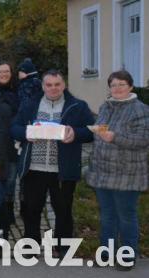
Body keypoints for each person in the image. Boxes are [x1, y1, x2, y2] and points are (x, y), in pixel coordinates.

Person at [10, 70, 95, 257]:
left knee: (63, 209)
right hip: (34, 167)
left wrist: (75, 134)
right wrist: (26, 133)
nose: (53, 88)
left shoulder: (77, 106)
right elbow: (14, 127)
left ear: (63, 85)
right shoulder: (30, 104)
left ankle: (62, 247)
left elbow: (90, 131)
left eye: (57, 84)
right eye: (49, 85)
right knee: (31, 209)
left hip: (62, 169)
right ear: (43, 86)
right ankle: (31, 245)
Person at [85, 70, 149, 271]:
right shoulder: (106, 106)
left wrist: (115, 138)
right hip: (103, 172)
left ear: (130, 86)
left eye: (122, 84)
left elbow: (143, 140)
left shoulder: (141, 110)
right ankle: (106, 252)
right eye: (113, 85)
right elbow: (100, 131)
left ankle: (128, 255)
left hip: (127, 174)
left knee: (126, 215)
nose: (117, 88)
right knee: (107, 215)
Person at [0, 61, 19, 241]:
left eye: (6, 71)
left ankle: (7, 218)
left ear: (11, 73)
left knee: (10, 183)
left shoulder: (17, 92)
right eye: (0, 71)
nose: (3, 74)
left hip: (13, 144)